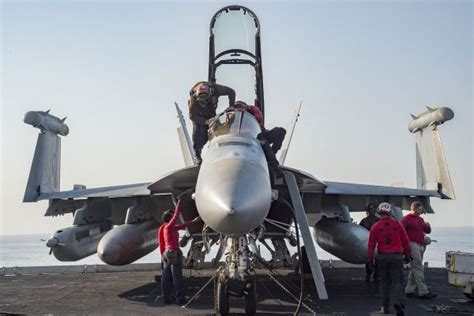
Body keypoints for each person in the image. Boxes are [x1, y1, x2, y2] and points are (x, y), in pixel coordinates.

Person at [368, 202, 411, 315]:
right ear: (390, 212)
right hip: (396, 257)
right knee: (398, 281)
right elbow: (405, 241)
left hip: (382, 257)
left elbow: (371, 244)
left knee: (384, 283)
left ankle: (385, 307)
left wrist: (370, 259)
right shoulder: (397, 225)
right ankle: (398, 302)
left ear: (379, 212)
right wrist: (407, 254)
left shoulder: (375, 227)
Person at [158, 200, 200, 304]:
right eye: (172, 217)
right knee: (177, 277)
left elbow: (183, 225)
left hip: (166, 254)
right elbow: (176, 216)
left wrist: (194, 221)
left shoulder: (166, 228)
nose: (174, 219)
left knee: (166, 277)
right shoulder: (169, 226)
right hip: (174, 253)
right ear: (170, 218)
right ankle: (180, 298)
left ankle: (165, 297)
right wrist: (179, 204)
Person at [231, 101, 286, 177]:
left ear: (245, 105)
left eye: (240, 106)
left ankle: (272, 154)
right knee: (264, 143)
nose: (239, 108)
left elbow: (259, 117)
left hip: (260, 133)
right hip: (246, 138)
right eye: (237, 107)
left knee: (281, 131)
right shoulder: (234, 117)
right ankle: (275, 167)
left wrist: (247, 112)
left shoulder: (253, 109)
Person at [188, 81, 235, 164]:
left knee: (216, 128)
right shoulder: (193, 101)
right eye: (201, 100)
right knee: (199, 133)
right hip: (199, 114)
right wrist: (205, 121)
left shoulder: (216, 89)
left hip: (211, 111)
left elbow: (231, 92)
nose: (204, 102)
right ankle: (197, 155)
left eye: (205, 99)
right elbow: (192, 116)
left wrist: (231, 106)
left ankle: (220, 150)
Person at [400, 201, 437, 299]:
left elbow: (427, 231)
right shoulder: (406, 219)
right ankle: (423, 291)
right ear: (414, 209)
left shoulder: (420, 219)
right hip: (412, 245)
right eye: (420, 209)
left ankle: (409, 290)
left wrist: (427, 227)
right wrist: (404, 248)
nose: (422, 211)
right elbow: (400, 233)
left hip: (420, 245)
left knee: (415, 268)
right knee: (418, 268)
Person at [360, 203, 380, 282]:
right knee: (368, 261)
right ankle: (368, 275)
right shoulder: (364, 221)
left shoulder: (378, 220)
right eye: (371, 209)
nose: (372, 210)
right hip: (367, 244)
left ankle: (376, 276)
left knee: (378, 261)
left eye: (373, 209)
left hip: (377, 243)